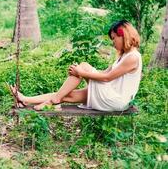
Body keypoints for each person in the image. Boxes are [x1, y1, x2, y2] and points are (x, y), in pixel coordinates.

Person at [9, 20, 142, 112]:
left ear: (124, 35)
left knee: (83, 66)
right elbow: (104, 72)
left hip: (116, 100)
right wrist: (81, 72)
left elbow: (107, 78)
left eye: (114, 38)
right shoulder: (124, 56)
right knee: (66, 95)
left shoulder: (133, 57)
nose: (113, 43)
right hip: (110, 95)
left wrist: (82, 72)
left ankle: (54, 100)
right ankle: (26, 99)